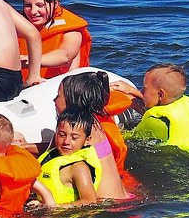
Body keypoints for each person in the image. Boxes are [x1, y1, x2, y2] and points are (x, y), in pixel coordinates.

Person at [56, 71, 132, 199]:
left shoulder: (83, 130)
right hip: (123, 199)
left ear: (72, 102)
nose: (54, 100)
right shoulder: (93, 124)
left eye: (58, 96)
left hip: (108, 206)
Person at [111, 63, 189, 151]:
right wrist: (131, 91)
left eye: (145, 89)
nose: (141, 91)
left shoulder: (154, 122)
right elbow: (152, 103)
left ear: (161, 95)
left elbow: (126, 138)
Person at [18, 0, 92, 79]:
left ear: (55, 3)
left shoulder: (71, 30)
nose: (33, 11)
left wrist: (33, 61)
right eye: (28, 5)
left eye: (40, 5)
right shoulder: (17, 27)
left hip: (66, 86)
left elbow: (65, 55)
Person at [34, 108, 103, 207]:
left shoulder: (79, 168)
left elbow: (89, 201)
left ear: (87, 140)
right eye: (61, 135)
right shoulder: (51, 156)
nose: (66, 141)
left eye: (74, 138)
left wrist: (53, 207)